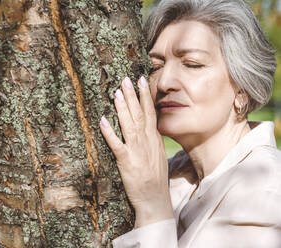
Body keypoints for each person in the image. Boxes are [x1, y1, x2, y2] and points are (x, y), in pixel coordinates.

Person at [99, 0, 281, 247]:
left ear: (242, 90)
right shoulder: (170, 172)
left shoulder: (264, 191)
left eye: (192, 64)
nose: (164, 83)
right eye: (155, 66)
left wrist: (153, 207)